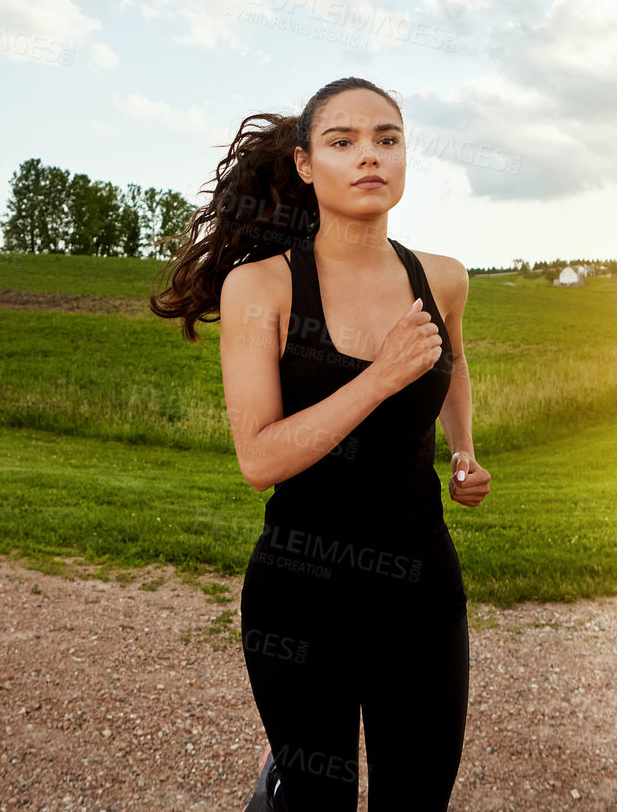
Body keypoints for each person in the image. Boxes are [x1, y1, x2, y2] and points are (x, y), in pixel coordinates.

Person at [150, 76, 491, 810]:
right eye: (342, 142)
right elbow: (259, 459)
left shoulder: (442, 277)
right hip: (301, 594)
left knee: (417, 799)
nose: (369, 156)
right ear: (305, 164)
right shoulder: (262, 287)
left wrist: (462, 449)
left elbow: (453, 361)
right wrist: (379, 378)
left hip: (422, 587)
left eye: (386, 139)